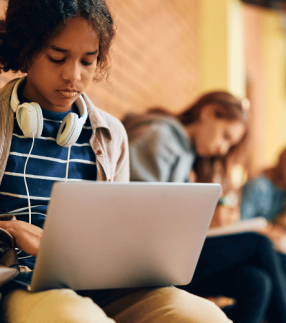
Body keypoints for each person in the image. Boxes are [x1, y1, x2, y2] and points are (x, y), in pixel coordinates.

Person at [0, 1, 233, 322]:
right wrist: (8, 230)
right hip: (18, 282)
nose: (73, 75)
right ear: (26, 48)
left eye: (88, 60)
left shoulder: (111, 134)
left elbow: (117, 232)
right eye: (57, 57)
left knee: (204, 316)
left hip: (98, 281)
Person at [123, 92, 286, 323]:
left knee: (256, 282)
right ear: (207, 113)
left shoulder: (186, 155)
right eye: (225, 136)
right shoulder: (159, 138)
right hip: (148, 260)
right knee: (260, 243)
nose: (223, 149)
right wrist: (204, 220)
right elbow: (139, 213)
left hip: (173, 254)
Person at [240, 144, 286, 292]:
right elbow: (240, 223)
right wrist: (269, 232)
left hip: (263, 246)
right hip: (246, 246)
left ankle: (279, 310)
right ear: (284, 164)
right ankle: (280, 312)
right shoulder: (258, 185)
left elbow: (271, 223)